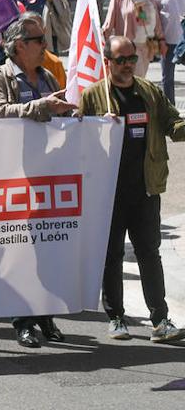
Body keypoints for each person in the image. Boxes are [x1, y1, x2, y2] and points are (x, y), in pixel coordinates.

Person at [80, 35, 185, 343]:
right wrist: (98, 123)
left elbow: (172, 124)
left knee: (149, 255)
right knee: (111, 255)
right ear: (108, 62)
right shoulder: (94, 95)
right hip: (108, 193)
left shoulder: (149, 92)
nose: (127, 66)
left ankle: (161, 319)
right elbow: (78, 138)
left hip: (146, 190)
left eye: (131, 59)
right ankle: (116, 317)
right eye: (121, 60)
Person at [0, 14, 77, 349]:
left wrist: (73, 114)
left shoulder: (49, 76)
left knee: (47, 249)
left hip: (48, 175)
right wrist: (41, 106)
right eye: (40, 41)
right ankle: (22, 321)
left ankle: (46, 316)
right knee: (21, 251)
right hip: (14, 177)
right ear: (20, 45)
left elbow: (60, 113)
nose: (45, 47)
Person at [102, 0, 165, 78]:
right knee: (128, 80)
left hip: (145, 48)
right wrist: (106, 49)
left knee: (139, 79)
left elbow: (157, 22)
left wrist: (161, 40)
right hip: (125, 50)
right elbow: (108, 25)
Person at [150, 0, 185, 98]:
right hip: (167, 41)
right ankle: (171, 114)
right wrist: (158, 40)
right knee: (168, 79)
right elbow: (152, 16)